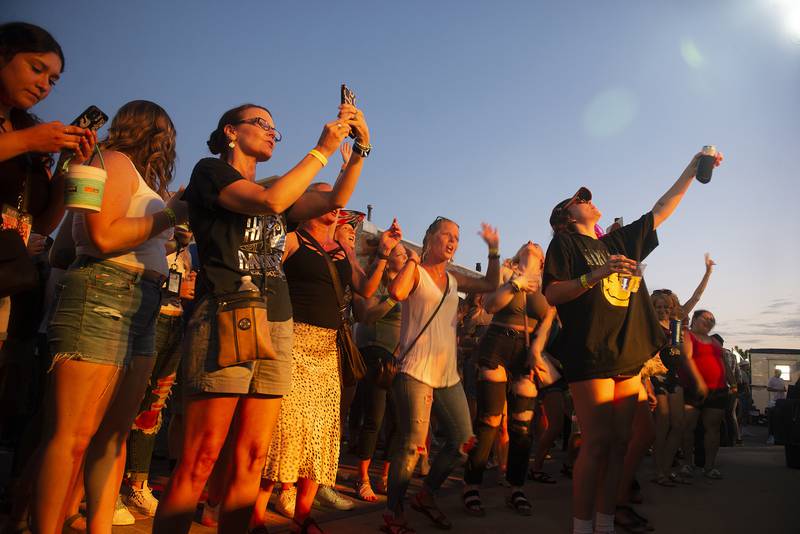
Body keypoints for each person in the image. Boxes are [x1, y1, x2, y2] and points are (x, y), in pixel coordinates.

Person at [153, 103, 369, 534]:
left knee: (251, 459)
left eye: (275, 128)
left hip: (278, 322)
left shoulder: (280, 196)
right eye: (262, 124)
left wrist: (360, 148)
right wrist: (321, 150)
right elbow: (268, 199)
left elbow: (336, 200)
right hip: (228, 315)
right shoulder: (210, 173)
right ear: (231, 131)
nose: (272, 132)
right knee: (202, 457)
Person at [542, 150, 723, 534]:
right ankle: (581, 526)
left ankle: (605, 522)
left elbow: (661, 208)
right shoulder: (565, 246)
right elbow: (553, 294)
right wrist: (598, 274)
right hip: (591, 353)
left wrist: (692, 168)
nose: (589, 201)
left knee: (621, 445)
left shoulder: (619, 241)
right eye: (581, 200)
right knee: (596, 443)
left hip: (626, 354)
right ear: (566, 217)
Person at [33, 100, 185, 534]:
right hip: (105, 292)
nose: (170, 144)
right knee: (74, 436)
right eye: (167, 134)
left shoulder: (134, 176)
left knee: (114, 436)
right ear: (154, 133)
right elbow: (101, 236)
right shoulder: (115, 160)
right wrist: (173, 215)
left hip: (140, 300)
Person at [260, 194, 401, 533]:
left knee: (321, 434)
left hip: (327, 350)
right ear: (306, 207)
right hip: (292, 342)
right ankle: (253, 515)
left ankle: (303, 514)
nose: (335, 205)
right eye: (325, 197)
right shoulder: (291, 240)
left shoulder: (342, 252)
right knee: (282, 433)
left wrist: (383, 252)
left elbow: (366, 289)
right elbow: (265, 280)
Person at [383, 217, 501, 533]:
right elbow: (396, 292)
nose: (452, 242)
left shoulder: (453, 279)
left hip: (448, 373)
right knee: (412, 446)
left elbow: (490, 285)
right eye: (446, 235)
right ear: (430, 237)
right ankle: (393, 512)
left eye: (457, 239)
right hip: (415, 370)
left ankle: (426, 494)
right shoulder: (416, 271)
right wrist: (412, 259)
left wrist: (493, 250)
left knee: (464, 440)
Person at [0, 21, 95, 349]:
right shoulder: (28, 137)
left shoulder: (28, 134)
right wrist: (27, 141)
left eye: (52, 80)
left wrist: (70, 166)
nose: (43, 85)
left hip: (10, 274)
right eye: (36, 69)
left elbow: (42, 223)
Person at [462, 241, 553, 516]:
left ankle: (516, 488)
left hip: (526, 352)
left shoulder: (548, 283)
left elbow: (547, 322)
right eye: (528, 242)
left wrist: (536, 352)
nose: (532, 242)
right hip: (497, 343)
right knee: (489, 420)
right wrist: (516, 284)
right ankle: (471, 486)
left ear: (542, 258)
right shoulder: (506, 271)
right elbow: (489, 305)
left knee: (522, 426)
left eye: (537, 243)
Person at [119, 225, 195, 517]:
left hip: (175, 323)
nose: (187, 229)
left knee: (154, 407)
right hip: (150, 319)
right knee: (130, 402)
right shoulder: (154, 238)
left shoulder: (187, 252)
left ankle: (138, 484)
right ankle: (112, 486)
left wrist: (186, 288)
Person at [351, 241, 410, 502]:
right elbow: (367, 317)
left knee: (398, 421)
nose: (406, 255)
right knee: (374, 418)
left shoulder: (409, 286)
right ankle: (361, 477)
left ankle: (383, 475)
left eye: (406, 253)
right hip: (376, 356)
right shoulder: (377, 283)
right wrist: (392, 299)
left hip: (400, 359)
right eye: (401, 252)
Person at [679, 310, 728, 479]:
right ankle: (687, 463)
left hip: (718, 389)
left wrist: (731, 382)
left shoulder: (715, 341)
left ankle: (709, 467)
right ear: (695, 319)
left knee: (713, 428)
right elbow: (687, 357)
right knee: (688, 427)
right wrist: (699, 381)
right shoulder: (687, 335)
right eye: (705, 317)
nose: (709, 320)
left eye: (712, 319)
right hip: (693, 388)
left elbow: (723, 362)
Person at [766, 368, 787, 445]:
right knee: (773, 418)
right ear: (775, 373)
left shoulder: (781, 379)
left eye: (781, 373)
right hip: (774, 401)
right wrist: (778, 390)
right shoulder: (771, 379)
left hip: (782, 400)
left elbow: (784, 388)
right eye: (779, 373)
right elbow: (768, 388)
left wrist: (784, 390)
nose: (780, 374)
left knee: (780, 418)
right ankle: (771, 436)